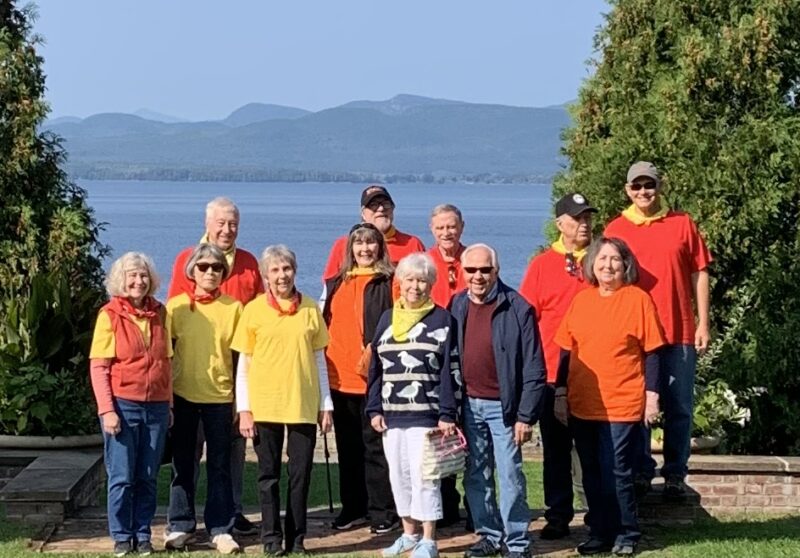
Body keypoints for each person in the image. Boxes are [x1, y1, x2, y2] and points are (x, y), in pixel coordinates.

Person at [604, 162, 712, 498]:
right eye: (636, 186)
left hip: (678, 332)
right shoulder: (617, 228)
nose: (643, 192)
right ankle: (640, 471)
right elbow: (607, 279)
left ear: (659, 186)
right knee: (636, 407)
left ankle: (676, 474)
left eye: (648, 185)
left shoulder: (682, 224)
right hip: (634, 336)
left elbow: (700, 273)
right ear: (627, 190)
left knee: (679, 407)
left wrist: (703, 322)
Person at [554, 237, 665, 556]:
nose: (608, 265)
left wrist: (652, 395)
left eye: (615, 259)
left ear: (625, 264)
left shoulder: (638, 299)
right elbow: (566, 349)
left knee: (616, 469)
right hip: (583, 402)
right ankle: (599, 532)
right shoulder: (582, 301)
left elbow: (653, 352)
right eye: (602, 259)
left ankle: (627, 532)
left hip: (622, 402)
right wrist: (560, 392)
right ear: (591, 264)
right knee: (591, 471)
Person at [167, 196, 263, 535]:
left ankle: (229, 515)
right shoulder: (185, 260)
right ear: (207, 224)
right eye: (221, 223)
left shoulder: (250, 262)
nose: (227, 229)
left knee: (230, 456)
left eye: (233, 223)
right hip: (189, 381)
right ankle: (183, 521)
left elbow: (260, 311)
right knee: (186, 457)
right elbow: (176, 327)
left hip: (230, 377)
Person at [232, 245, 333, 556]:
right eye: (274, 270)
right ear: (265, 275)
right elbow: (243, 365)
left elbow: (319, 360)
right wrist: (244, 409)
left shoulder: (310, 309)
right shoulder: (253, 310)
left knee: (300, 475)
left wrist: (325, 405)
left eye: (286, 269)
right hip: (264, 406)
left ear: (295, 271)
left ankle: (297, 538)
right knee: (268, 476)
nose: (281, 275)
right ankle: (271, 538)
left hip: (302, 404)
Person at [449, 244, 546, 558]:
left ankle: (517, 543)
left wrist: (525, 415)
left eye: (485, 270)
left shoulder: (518, 308)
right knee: (476, 476)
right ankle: (489, 536)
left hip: (505, 410)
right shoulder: (456, 304)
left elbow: (534, 366)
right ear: (461, 273)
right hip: (469, 406)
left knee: (511, 476)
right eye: (471, 270)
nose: (478, 276)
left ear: (497, 271)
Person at [365, 253, 461, 558]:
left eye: (422, 280)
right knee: (399, 475)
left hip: (428, 416)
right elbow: (375, 369)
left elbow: (451, 370)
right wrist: (374, 408)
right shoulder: (386, 320)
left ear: (431, 284)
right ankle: (408, 534)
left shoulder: (443, 320)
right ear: (399, 282)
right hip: (392, 416)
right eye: (409, 279)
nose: (415, 286)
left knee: (426, 476)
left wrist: (448, 413)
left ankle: (429, 539)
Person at [518, 193, 596, 539]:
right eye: (577, 219)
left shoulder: (601, 260)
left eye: (588, 218)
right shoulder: (541, 265)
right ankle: (558, 514)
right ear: (560, 223)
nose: (584, 225)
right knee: (556, 452)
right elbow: (527, 319)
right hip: (551, 375)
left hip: (595, 374)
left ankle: (598, 511)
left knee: (594, 450)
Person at [89, 252, 172, 557]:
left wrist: (170, 404)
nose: (138, 281)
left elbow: (167, 362)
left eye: (143, 275)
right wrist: (107, 410)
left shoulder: (162, 312)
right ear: (121, 280)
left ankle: (143, 533)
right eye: (132, 276)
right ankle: (122, 536)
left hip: (157, 407)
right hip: (123, 406)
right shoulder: (109, 315)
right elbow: (99, 367)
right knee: (122, 476)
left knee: (148, 476)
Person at [321, 223, 399, 534]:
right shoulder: (336, 282)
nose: (365, 249)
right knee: (348, 448)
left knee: (376, 450)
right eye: (359, 244)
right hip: (339, 380)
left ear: (380, 247)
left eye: (371, 243)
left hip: (376, 380)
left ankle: (381, 510)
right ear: (349, 249)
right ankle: (352, 507)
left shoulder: (389, 282)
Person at [164, 244, 242, 554]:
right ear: (192, 271)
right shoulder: (176, 307)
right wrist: (167, 399)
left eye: (217, 267)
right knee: (183, 464)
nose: (210, 272)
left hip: (221, 398)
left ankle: (221, 528)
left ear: (224, 272)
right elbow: (166, 356)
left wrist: (240, 402)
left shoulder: (234, 308)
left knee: (220, 466)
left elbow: (240, 360)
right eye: (204, 266)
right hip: (183, 397)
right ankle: (180, 525)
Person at [425, 204, 468, 528]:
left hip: (468, 358)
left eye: (451, 226)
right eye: (440, 228)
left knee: (471, 436)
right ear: (432, 230)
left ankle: (476, 507)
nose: (446, 233)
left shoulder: (474, 261)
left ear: (461, 227)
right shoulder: (425, 263)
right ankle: (443, 505)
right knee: (438, 436)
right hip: (433, 360)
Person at [322, 185, 425, 281]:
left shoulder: (412, 244)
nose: (381, 209)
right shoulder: (343, 245)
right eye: (373, 205)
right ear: (363, 213)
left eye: (386, 204)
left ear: (393, 209)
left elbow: (426, 284)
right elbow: (330, 286)